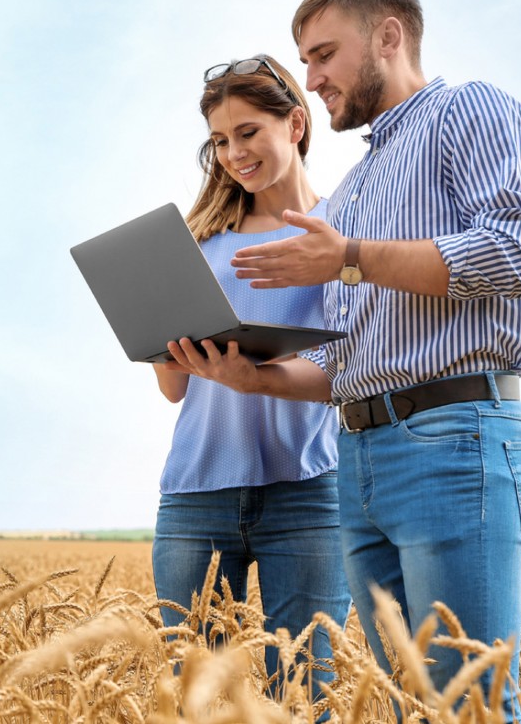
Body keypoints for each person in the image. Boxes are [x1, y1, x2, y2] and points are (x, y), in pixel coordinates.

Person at [166, 0, 521, 721]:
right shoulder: (353, 189)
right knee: (409, 701)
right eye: (304, 62)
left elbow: (516, 254)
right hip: (362, 460)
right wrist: (258, 381)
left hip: (450, 438)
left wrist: (348, 258)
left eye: (322, 55)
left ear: (387, 36)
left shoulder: (465, 110)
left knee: (464, 698)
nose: (310, 80)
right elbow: (349, 358)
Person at [151, 54, 351, 701]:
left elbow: (351, 369)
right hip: (196, 495)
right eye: (219, 141)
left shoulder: (340, 235)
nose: (233, 153)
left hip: (308, 494)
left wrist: (257, 377)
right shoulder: (196, 241)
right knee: (203, 703)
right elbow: (173, 389)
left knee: (303, 696)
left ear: (295, 124)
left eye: (247, 133)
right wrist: (161, 339)